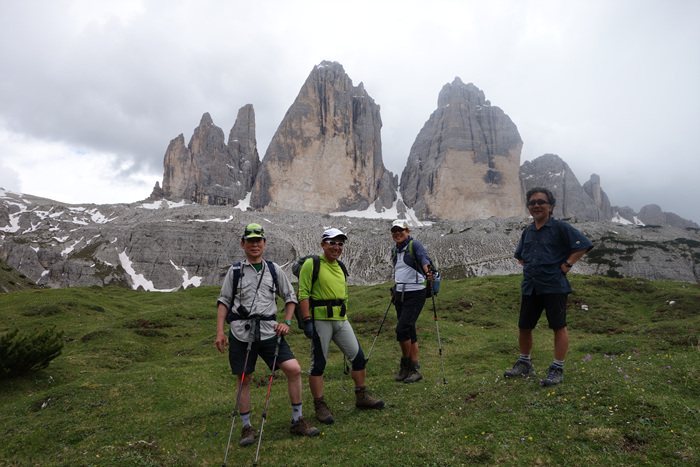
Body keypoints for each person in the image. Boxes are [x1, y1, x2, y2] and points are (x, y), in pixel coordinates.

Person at [216, 223, 319, 447]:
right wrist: (220, 332)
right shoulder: (235, 271)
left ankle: (298, 420)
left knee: (294, 369)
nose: (254, 244)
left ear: (264, 244)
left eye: (258, 240)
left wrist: (287, 322)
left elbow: (290, 298)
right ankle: (246, 427)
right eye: (250, 241)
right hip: (241, 333)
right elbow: (224, 301)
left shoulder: (274, 269)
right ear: (243, 244)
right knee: (244, 378)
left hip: (269, 332)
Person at [504, 188, 594, 386]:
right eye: (532, 203)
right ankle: (524, 363)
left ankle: (557, 368)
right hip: (531, 286)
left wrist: (568, 264)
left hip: (554, 286)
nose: (536, 205)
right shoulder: (527, 231)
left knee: (558, 327)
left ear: (550, 206)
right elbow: (520, 256)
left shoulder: (560, 227)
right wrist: (531, 268)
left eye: (541, 202)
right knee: (524, 326)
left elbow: (583, 244)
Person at [298, 228, 384, 425]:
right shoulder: (312, 264)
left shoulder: (340, 266)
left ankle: (361, 395)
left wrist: (344, 313)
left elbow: (343, 293)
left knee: (358, 357)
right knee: (318, 364)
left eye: (340, 244)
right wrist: (307, 320)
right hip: (320, 320)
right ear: (323, 244)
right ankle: (319, 404)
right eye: (332, 243)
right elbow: (303, 293)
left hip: (341, 319)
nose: (336, 247)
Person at [389, 219, 434, 383]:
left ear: (407, 231)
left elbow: (423, 258)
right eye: (394, 231)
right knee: (409, 330)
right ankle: (415, 369)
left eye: (400, 230)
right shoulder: (394, 250)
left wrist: (428, 272)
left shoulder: (415, 245)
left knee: (402, 329)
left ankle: (406, 364)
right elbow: (399, 270)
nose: (397, 233)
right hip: (400, 294)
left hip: (416, 293)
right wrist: (394, 289)